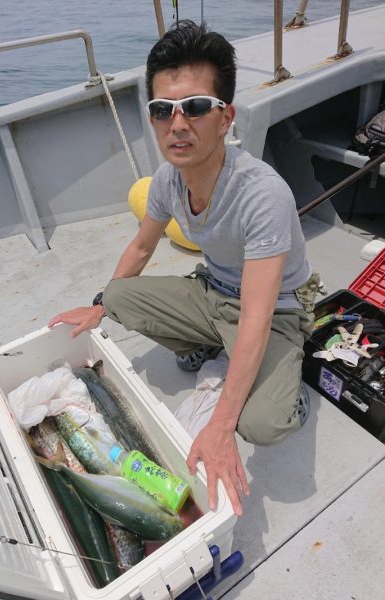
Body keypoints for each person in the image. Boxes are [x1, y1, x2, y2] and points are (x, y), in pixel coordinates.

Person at [49, 20, 314, 516]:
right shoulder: (170, 180)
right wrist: (98, 305)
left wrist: (220, 426)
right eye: (162, 110)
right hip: (213, 293)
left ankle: (288, 374)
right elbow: (142, 248)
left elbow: (256, 316)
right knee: (120, 296)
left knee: (263, 425)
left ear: (225, 116)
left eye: (195, 107)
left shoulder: (263, 194)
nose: (178, 124)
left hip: (273, 312)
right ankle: (211, 345)